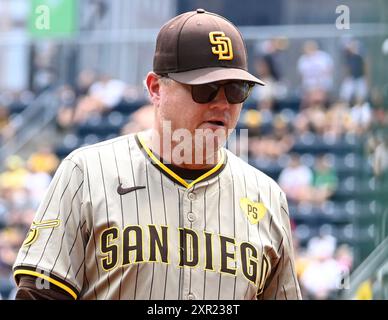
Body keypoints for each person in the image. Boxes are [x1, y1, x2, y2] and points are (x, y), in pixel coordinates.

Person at [13, 9, 301, 300]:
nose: (222, 104)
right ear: (155, 88)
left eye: (236, 89)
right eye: (206, 88)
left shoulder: (267, 197)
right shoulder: (86, 172)